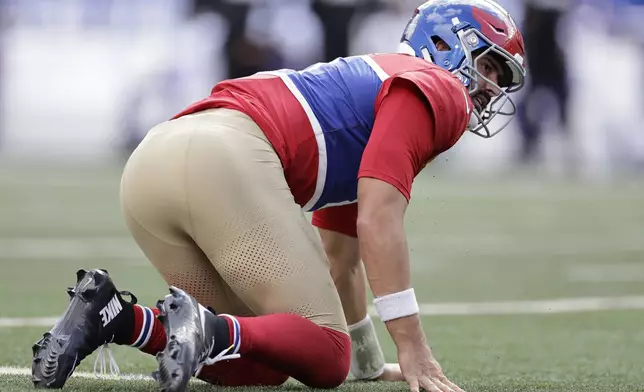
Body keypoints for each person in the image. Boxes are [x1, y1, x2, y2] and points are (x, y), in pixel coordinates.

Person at [31, 1, 526, 392]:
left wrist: (371, 364)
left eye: (501, 79)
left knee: (257, 363)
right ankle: (204, 329)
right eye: (490, 67)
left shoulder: (371, 97)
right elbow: (379, 221)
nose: (491, 88)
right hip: (224, 157)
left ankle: (116, 316)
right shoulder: (435, 88)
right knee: (329, 355)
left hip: (151, 164)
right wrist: (413, 347)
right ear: (444, 46)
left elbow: (343, 255)